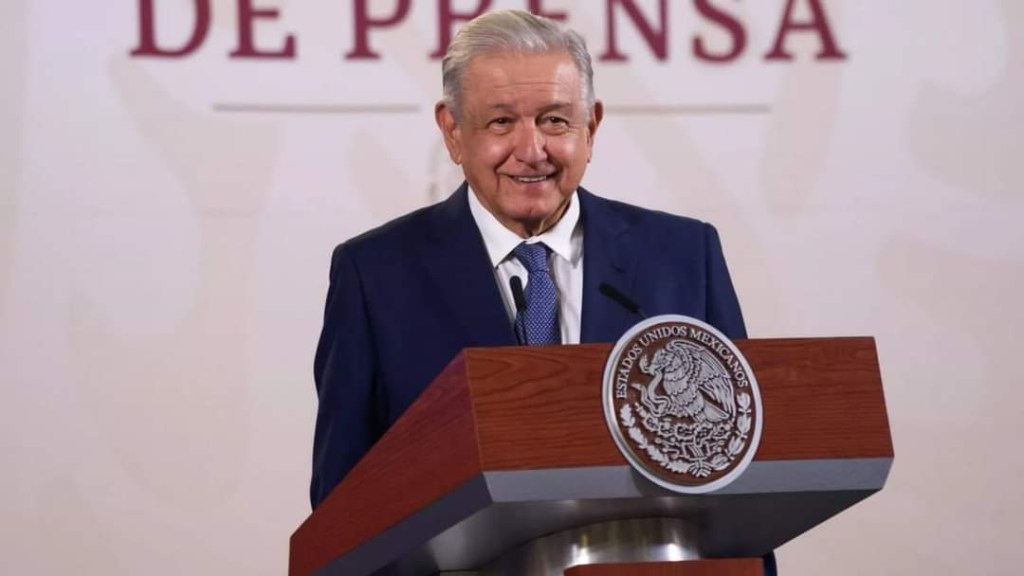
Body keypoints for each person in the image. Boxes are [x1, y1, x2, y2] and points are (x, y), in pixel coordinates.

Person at [311, 11, 766, 570]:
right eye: (501, 122)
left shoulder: (684, 256)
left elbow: (744, 473)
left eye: (554, 120)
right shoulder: (375, 275)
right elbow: (344, 511)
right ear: (453, 131)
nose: (531, 150)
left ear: (591, 128)